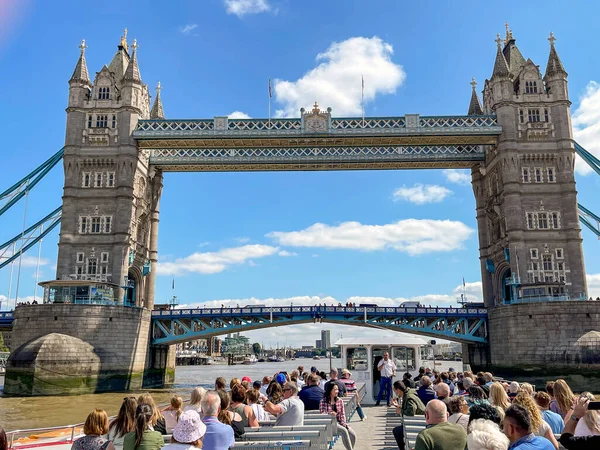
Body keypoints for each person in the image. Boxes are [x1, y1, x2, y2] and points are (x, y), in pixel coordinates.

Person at [319, 382, 357, 450]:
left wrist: (344, 424)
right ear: (330, 390)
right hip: (329, 425)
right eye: (335, 389)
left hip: (339, 423)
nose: (337, 391)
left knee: (353, 434)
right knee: (344, 431)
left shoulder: (340, 401)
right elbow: (322, 414)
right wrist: (329, 414)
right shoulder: (323, 401)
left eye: (337, 389)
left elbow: (342, 414)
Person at [391, 380, 426, 449]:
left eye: (395, 391)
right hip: (420, 420)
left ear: (398, 390)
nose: (395, 393)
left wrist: (400, 411)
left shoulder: (409, 397)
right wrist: (398, 406)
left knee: (397, 431)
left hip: (420, 423)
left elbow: (411, 412)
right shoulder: (408, 394)